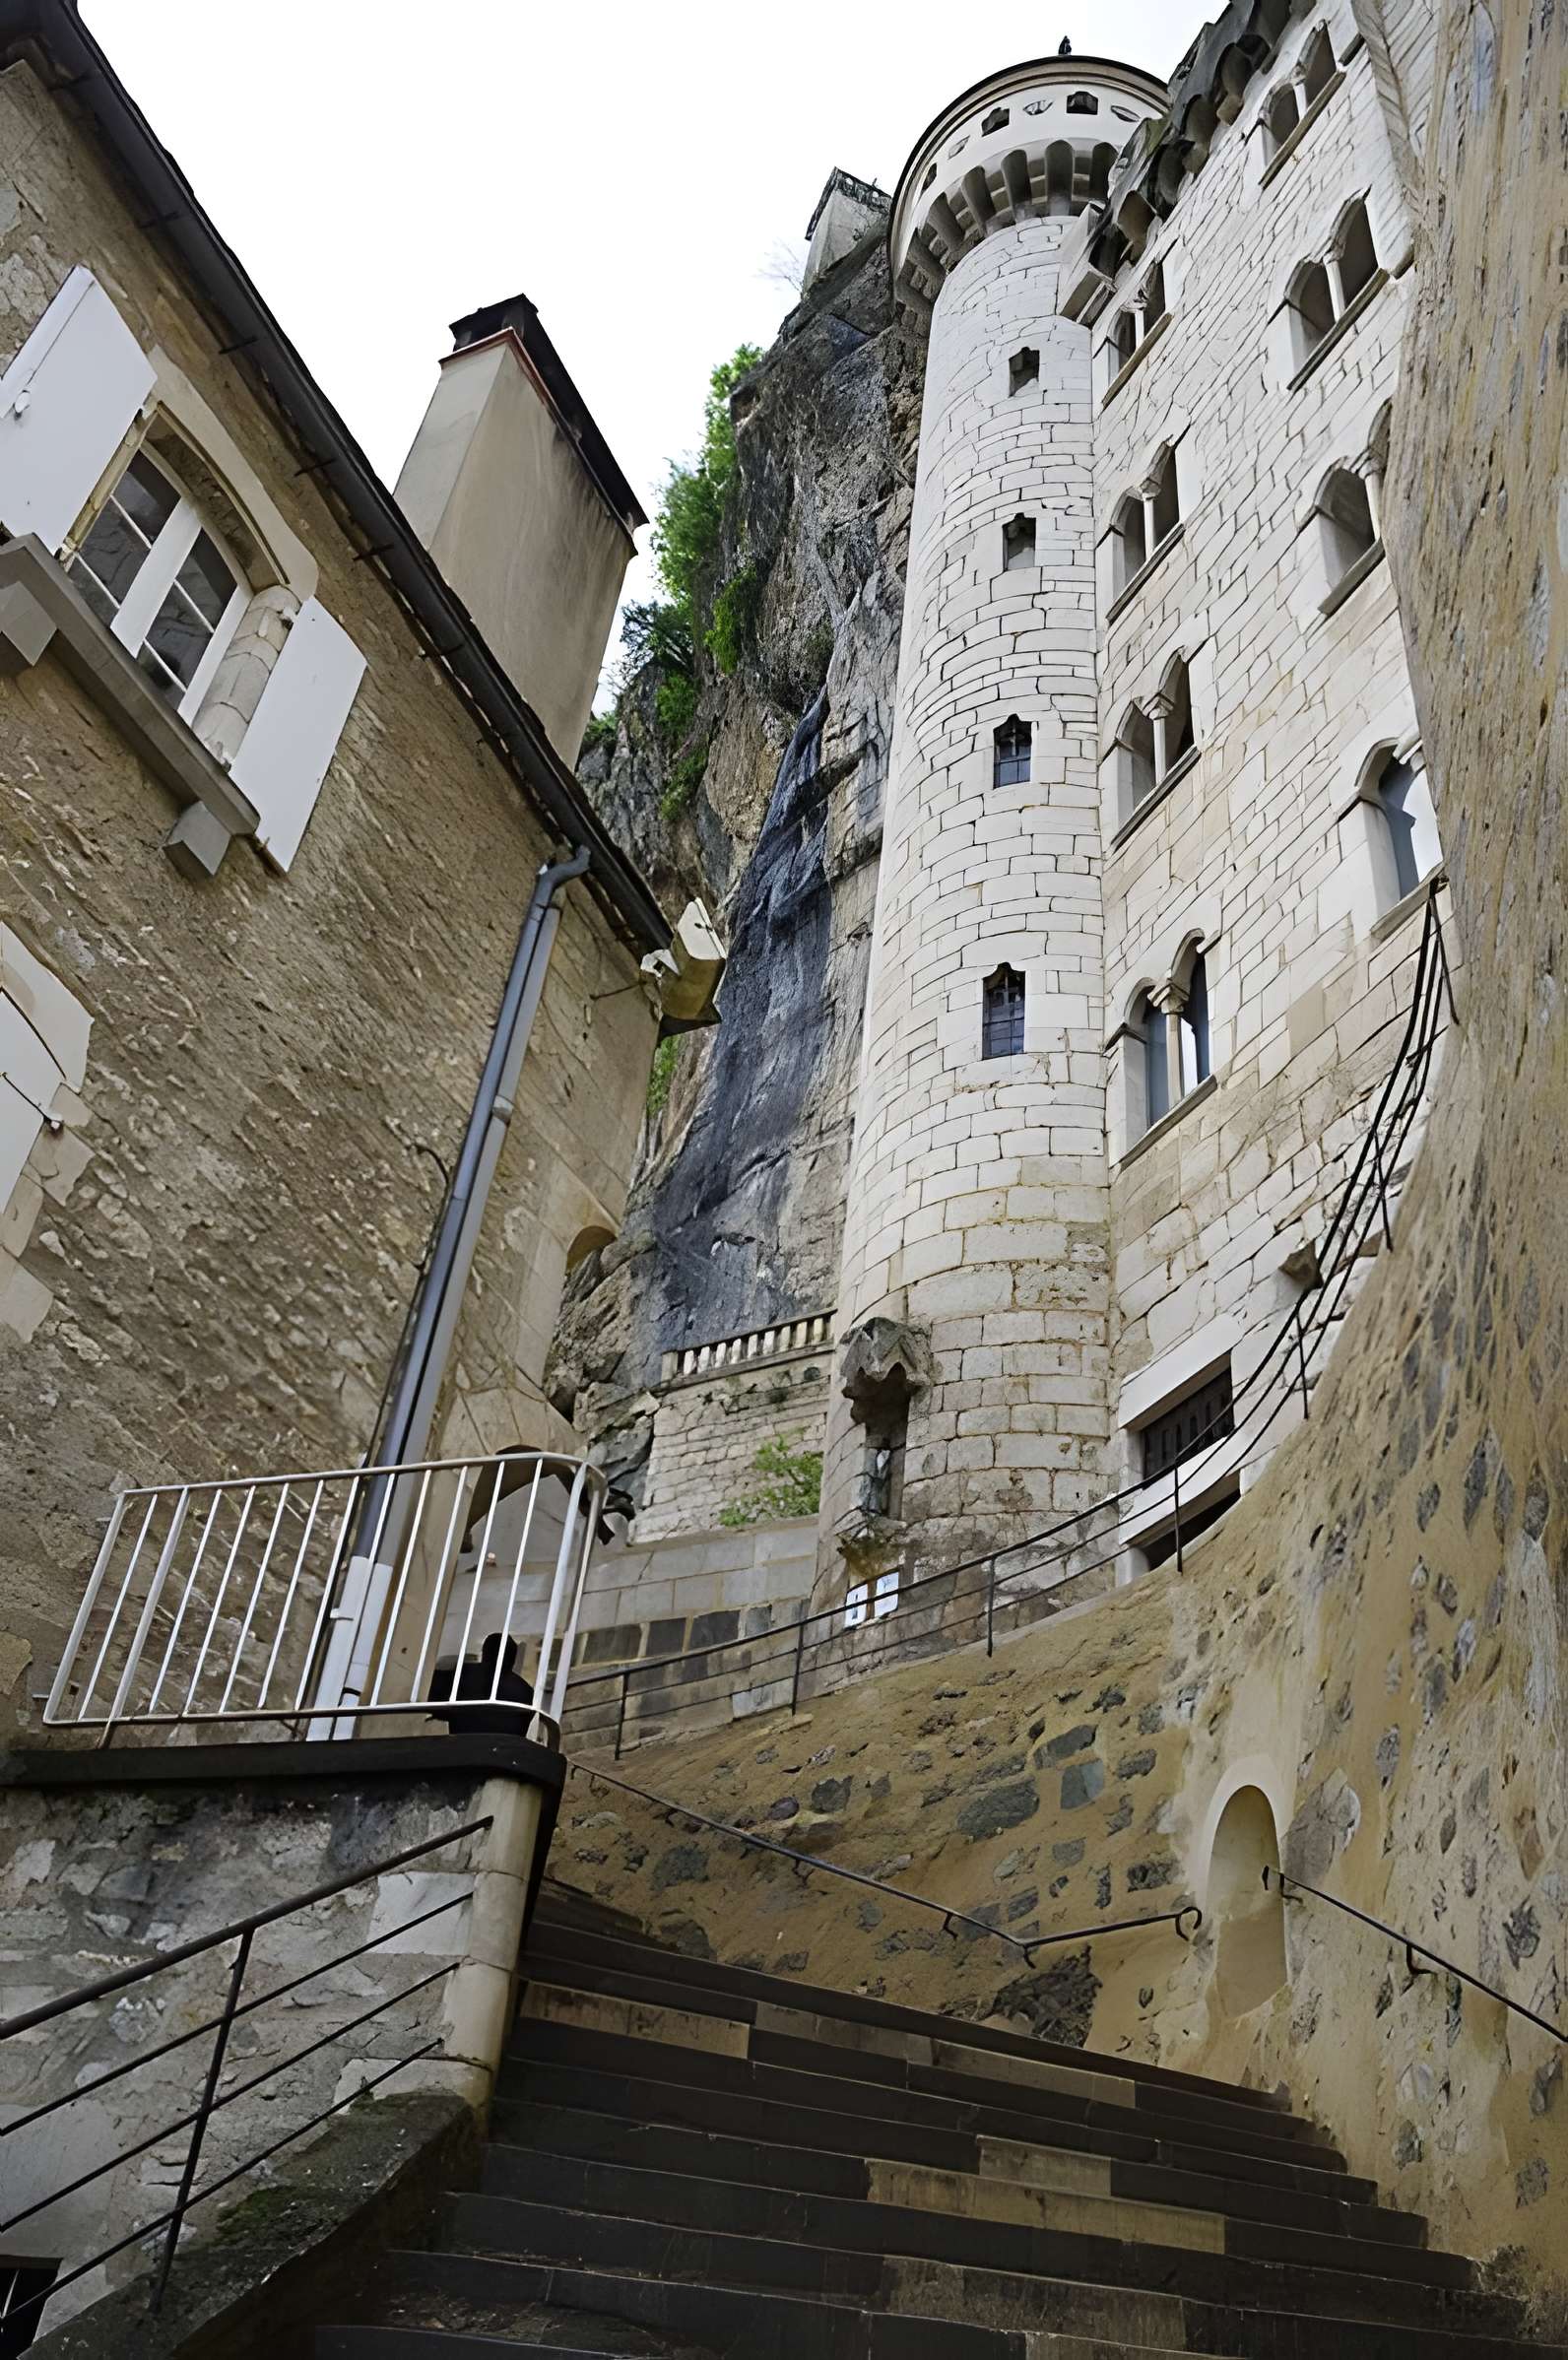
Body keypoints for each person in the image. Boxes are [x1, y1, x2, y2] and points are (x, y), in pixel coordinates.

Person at [427, 1631, 536, 1735]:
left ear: (485, 1653)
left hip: (463, 1745)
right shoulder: (526, 1692)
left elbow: (434, 1700)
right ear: (513, 1660)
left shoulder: (465, 1673)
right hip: (505, 1749)